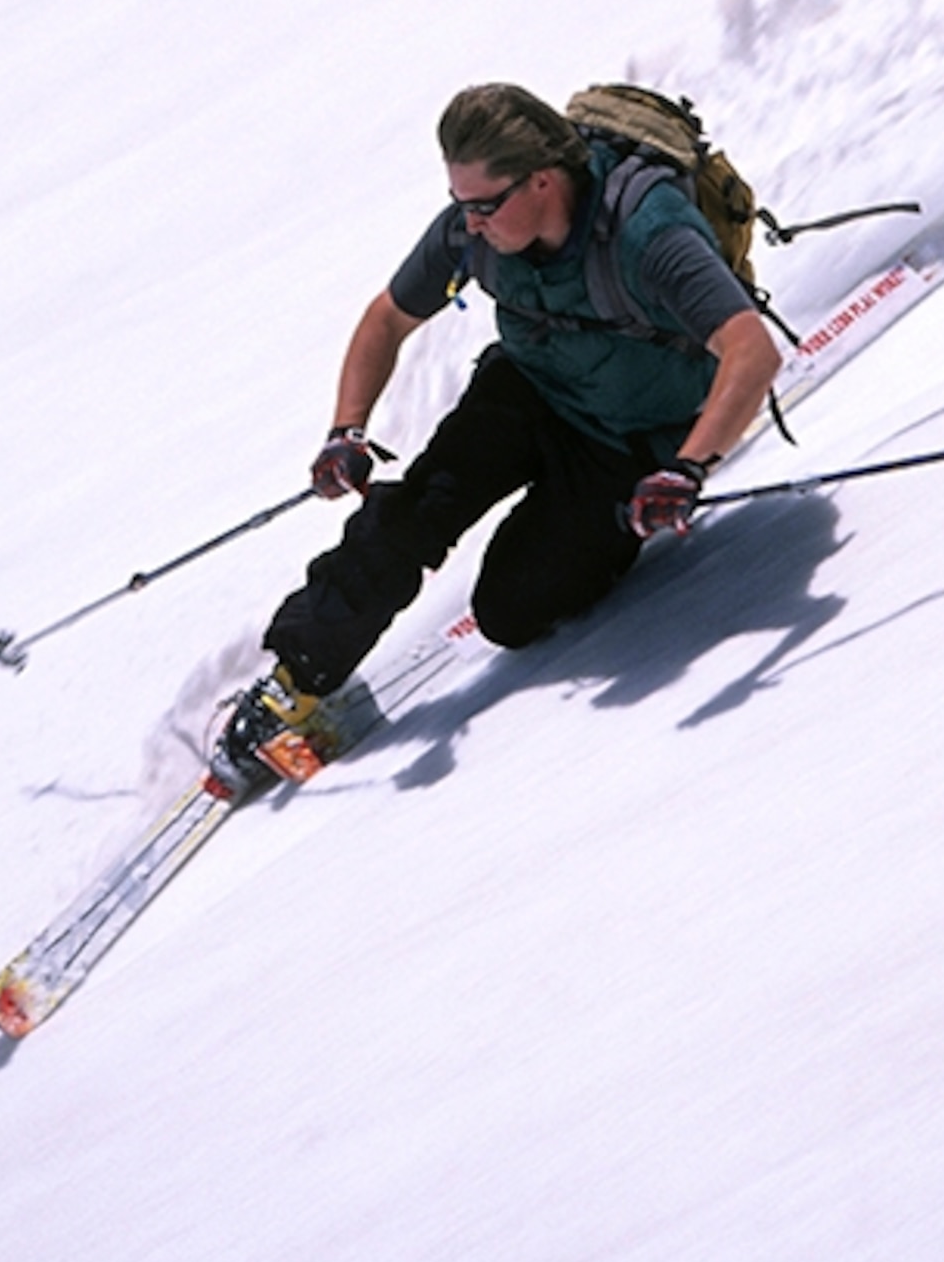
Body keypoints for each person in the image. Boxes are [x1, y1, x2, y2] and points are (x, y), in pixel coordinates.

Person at [215, 81, 781, 781]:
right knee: (415, 509)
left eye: (483, 205)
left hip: (633, 437)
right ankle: (300, 677)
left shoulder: (647, 230)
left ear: (542, 182)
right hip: (532, 388)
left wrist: (688, 468)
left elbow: (750, 350)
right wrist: (347, 430)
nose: (469, 222)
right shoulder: (473, 227)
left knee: (509, 612)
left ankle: (601, 534)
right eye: (460, 203)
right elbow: (388, 318)